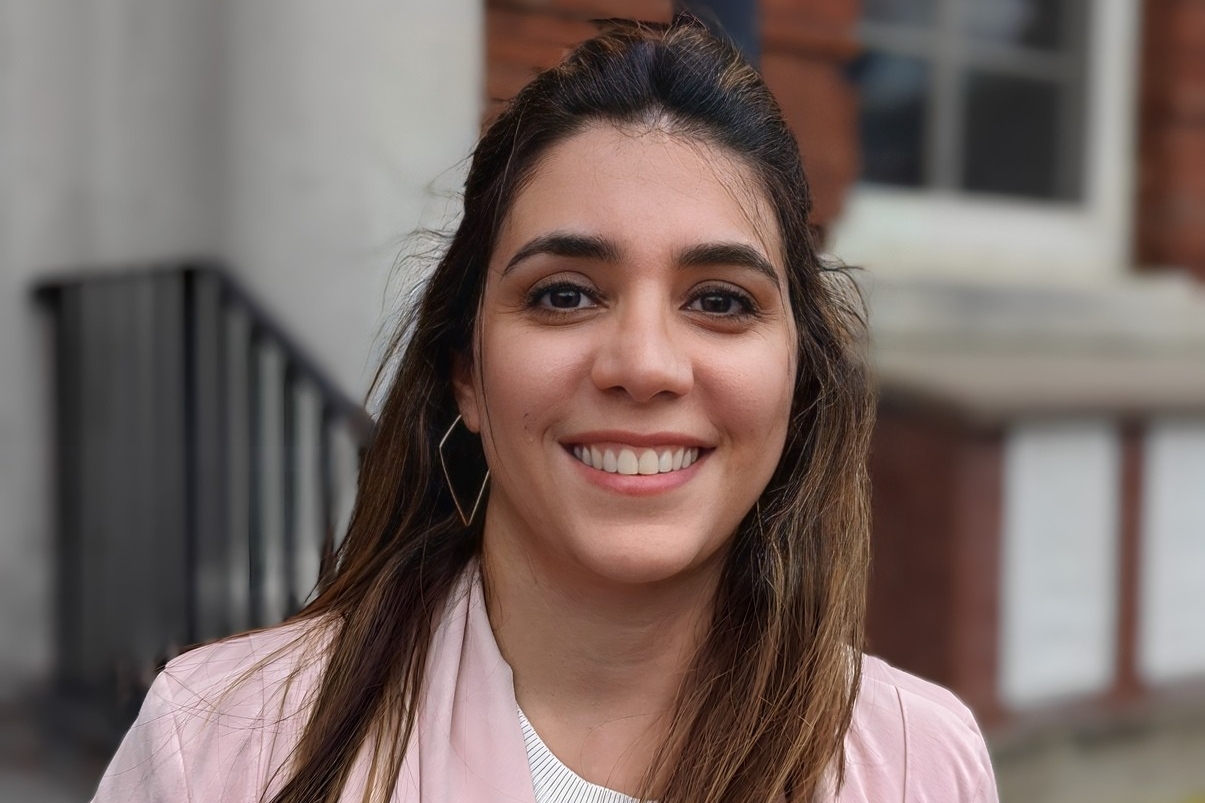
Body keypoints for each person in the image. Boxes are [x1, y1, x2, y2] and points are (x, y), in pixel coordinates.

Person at [91, 17, 998, 803]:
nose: (643, 365)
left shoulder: (918, 763)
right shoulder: (222, 744)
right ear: (466, 377)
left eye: (720, 299)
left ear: (798, 381)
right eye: (564, 295)